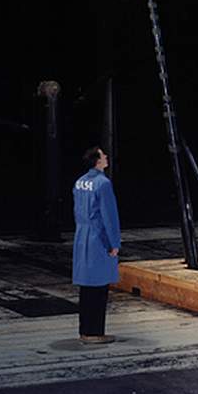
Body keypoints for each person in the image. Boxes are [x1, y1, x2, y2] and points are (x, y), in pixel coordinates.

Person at [72, 145, 121, 344]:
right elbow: (109, 216)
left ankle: (85, 330)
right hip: (97, 238)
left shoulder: (79, 182)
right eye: (103, 155)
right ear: (97, 161)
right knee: (99, 287)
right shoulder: (103, 184)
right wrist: (113, 243)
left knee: (86, 287)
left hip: (82, 235)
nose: (106, 156)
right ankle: (94, 332)